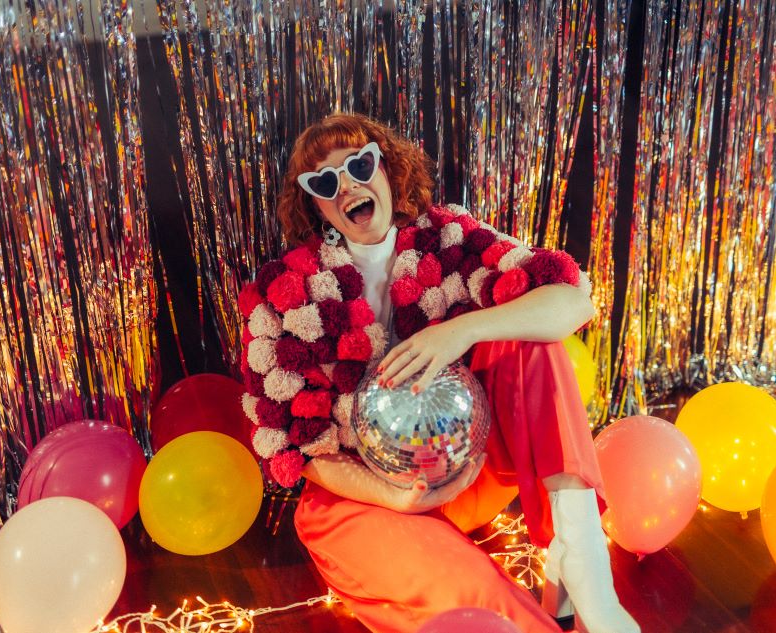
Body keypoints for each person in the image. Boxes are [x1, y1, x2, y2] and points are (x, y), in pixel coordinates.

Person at [239, 113, 640, 633]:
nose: (348, 187)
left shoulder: (447, 237)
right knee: (477, 604)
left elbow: (571, 301)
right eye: (326, 182)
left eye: (359, 166)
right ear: (314, 203)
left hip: (462, 471)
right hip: (361, 497)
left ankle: (585, 565)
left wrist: (458, 332)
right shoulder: (282, 293)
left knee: (532, 342)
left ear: (387, 169)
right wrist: (392, 495)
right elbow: (293, 449)